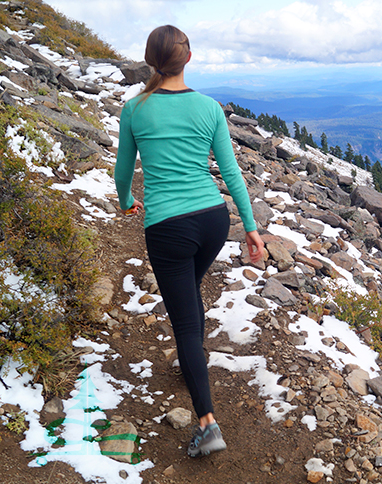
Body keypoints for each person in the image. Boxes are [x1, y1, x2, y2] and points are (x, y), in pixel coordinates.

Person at [114, 24, 264, 458]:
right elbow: (231, 172)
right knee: (189, 295)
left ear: (150, 61)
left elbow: (123, 173)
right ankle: (192, 361)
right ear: (189, 58)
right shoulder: (209, 107)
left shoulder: (134, 110)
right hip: (213, 221)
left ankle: (207, 423)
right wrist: (250, 226)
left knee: (182, 319)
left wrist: (127, 202)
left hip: (168, 227)